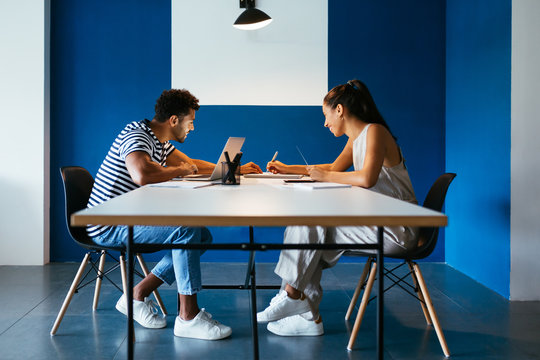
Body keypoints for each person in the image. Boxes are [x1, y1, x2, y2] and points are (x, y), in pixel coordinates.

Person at [87, 89, 262, 340]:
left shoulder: (159, 140)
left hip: (125, 218)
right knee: (187, 230)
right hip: (107, 224)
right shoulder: (137, 134)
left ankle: (136, 295)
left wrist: (235, 169)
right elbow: (142, 174)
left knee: (201, 234)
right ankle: (188, 318)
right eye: (190, 122)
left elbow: (192, 164)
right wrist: (180, 170)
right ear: (173, 120)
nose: (192, 128)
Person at [257, 80, 418, 337]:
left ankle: (292, 297)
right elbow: (332, 168)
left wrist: (325, 177)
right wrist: (289, 168)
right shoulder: (356, 139)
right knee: (312, 236)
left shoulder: (375, 131)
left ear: (340, 110)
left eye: (326, 115)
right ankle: (307, 316)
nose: (325, 123)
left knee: (311, 225)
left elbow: (366, 178)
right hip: (376, 223)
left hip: (397, 228)